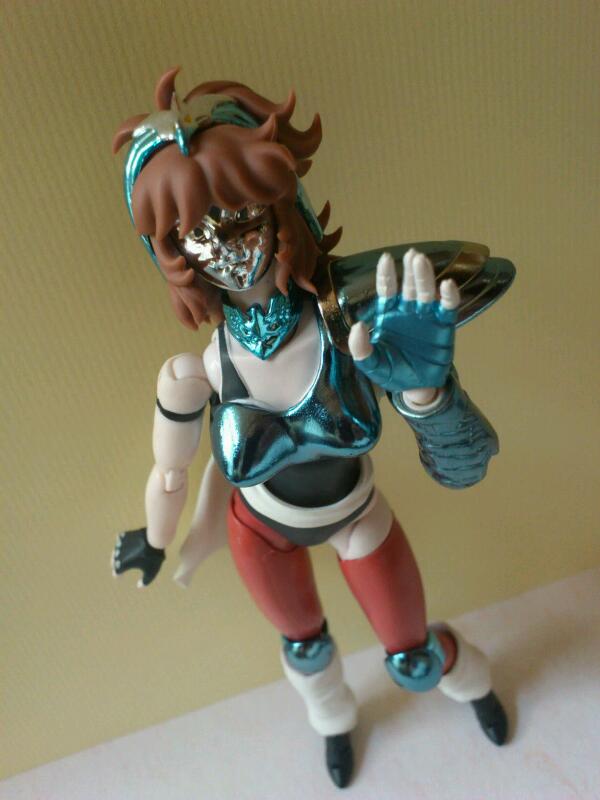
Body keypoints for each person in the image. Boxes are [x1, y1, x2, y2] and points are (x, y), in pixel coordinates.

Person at [112, 68, 514, 788]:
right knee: (304, 648)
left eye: (241, 212)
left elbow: (464, 467)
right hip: (260, 531)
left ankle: (470, 679)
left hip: (357, 517)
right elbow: (170, 470)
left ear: (279, 204)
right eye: (196, 231)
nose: (227, 244)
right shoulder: (200, 369)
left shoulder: (348, 322)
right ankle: (332, 719)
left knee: (413, 655)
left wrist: (427, 394)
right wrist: (155, 537)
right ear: (171, 252)